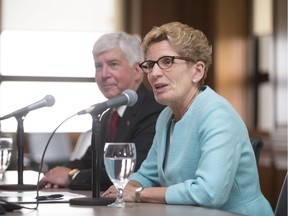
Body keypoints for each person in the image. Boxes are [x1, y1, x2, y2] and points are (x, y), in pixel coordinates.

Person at [102, 22, 274, 216]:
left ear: (197, 71)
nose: (154, 73)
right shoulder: (166, 116)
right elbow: (147, 174)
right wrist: (127, 187)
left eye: (167, 61)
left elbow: (209, 193)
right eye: (150, 65)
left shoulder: (218, 115)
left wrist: (139, 193)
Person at [39, 32, 165, 191]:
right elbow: (89, 161)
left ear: (137, 71)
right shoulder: (106, 113)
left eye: (113, 64)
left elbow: (132, 172)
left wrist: (71, 176)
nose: (104, 74)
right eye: (99, 66)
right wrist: (55, 174)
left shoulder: (153, 110)